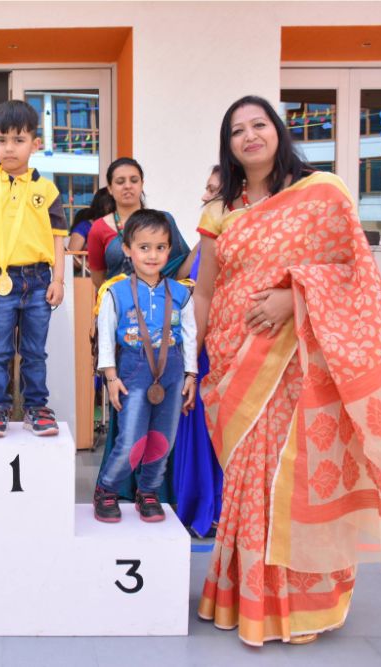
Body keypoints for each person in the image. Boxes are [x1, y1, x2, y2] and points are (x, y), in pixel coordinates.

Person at [193, 95, 381, 646]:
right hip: (234, 354)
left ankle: (302, 608)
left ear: (278, 131)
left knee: (288, 474)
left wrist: (293, 300)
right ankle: (244, 598)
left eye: (258, 124)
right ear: (229, 144)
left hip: (299, 358)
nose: (249, 136)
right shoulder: (220, 209)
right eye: (237, 129)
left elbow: (352, 270)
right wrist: (200, 352)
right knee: (247, 477)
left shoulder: (321, 192)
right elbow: (207, 286)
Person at [0, 99, 68, 437]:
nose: (10, 148)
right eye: (2, 139)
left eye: (19, 140)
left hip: (39, 280)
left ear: (35, 144)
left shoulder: (47, 189)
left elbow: (58, 237)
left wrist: (60, 280)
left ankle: (37, 408)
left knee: (35, 350)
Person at [93, 210, 197, 523]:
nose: (152, 255)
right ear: (127, 249)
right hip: (132, 370)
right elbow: (106, 338)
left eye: (160, 247)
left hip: (173, 369)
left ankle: (148, 492)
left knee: (162, 439)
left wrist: (191, 375)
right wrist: (110, 376)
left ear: (169, 250)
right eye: (144, 247)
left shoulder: (181, 293)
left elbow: (190, 335)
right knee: (131, 441)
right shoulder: (115, 291)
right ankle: (107, 489)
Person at [171, 166, 223, 538]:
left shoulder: (232, 240)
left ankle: (215, 505)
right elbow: (183, 278)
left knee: (213, 426)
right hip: (199, 340)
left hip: (219, 343)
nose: (204, 196)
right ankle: (197, 503)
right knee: (197, 422)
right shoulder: (206, 239)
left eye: (211, 191)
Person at [87, 158, 190, 289]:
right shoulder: (99, 228)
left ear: (142, 185)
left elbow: (180, 267)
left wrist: (204, 241)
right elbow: (98, 279)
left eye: (134, 180)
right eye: (120, 182)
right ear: (110, 189)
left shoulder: (164, 221)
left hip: (159, 302)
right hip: (119, 305)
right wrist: (120, 299)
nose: (128, 186)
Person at [68, 187, 114, 254]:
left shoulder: (118, 226)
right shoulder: (84, 227)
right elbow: (71, 256)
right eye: (112, 203)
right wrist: (88, 263)